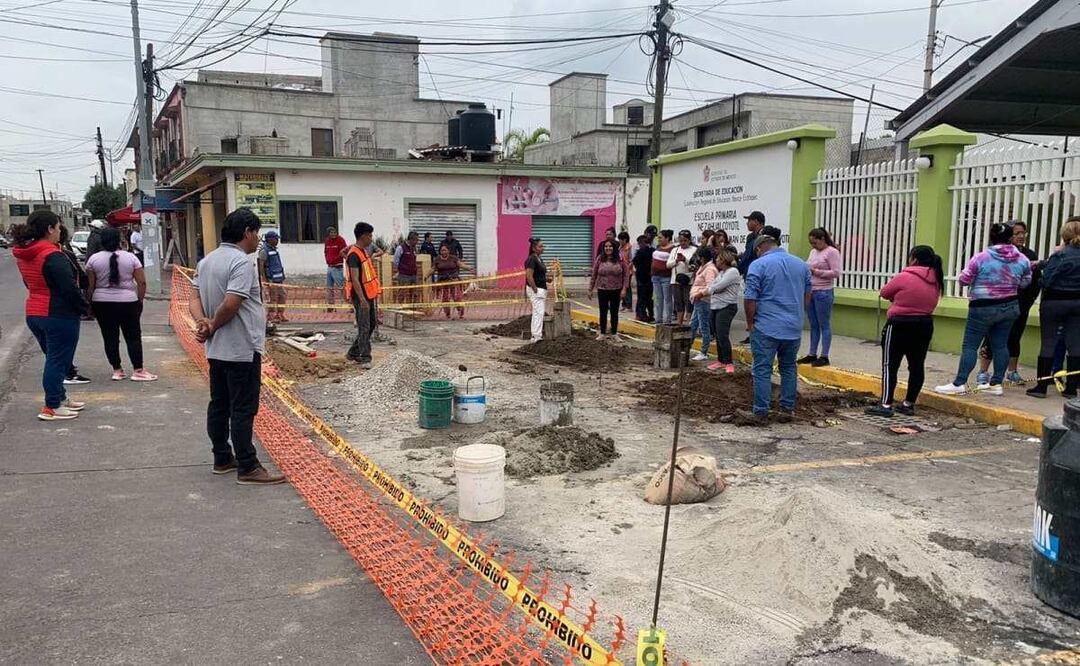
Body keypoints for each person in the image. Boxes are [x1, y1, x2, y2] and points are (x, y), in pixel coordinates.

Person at [188, 208, 284, 485]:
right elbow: (232, 303)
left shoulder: (207, 261)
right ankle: (247, 465)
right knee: (243, 408)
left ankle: (222, 457)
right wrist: (212, 326)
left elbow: (193, 298)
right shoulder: (242, 262)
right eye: (257, 233)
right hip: (240, 347)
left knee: (219, 404)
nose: (258, 239)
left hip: (217, 349)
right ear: (247, 233)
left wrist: (203, 324)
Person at [934, 222, 1031, 396]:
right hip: (1010, 306)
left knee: (970, 345)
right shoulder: (1022, 259)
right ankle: (996, 384)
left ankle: (960, 382)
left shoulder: (981, 257)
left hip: (983, 307)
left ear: (991, 238)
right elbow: (1025, 282)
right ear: (1010, 238)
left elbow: (964, 279)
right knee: (1001, 345)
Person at [12, 210, 88, 421]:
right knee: (57, 361)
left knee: (55, 358)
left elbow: (29, 283)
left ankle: (60, 398)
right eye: (57, 226)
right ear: (50, 229)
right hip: (57, 314)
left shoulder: (26, 253)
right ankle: (52, 405)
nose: (60, 230)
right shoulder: (52, 255)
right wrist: (85, 307)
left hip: (35, 312)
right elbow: (68, 287)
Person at [738, 226, 811, 426]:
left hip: (766, 326)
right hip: (793, 327)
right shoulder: (801, 264)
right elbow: (807, 293)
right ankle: (787, 409)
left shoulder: (758, 264)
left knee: (762, 369)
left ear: (760, 247)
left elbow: (750, 297)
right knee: (788, 368)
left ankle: (760, 412)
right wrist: (798, 313)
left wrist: (750, 322)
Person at [865, 246, 944, 417]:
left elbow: (885, 292)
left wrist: (898, 298)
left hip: (899, 324)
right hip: (924, 325)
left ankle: (885, 405)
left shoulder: (905, 276)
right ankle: (909, 404)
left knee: (889, 365)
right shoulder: (937, 278)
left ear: (914, 259)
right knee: (916, 365)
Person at [86, 227, 157, 382]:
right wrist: (139, 300)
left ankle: (117, 370)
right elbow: (142, 282)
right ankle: (138, 370)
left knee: (109, 337)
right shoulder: (131, 258)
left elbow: (91, 286)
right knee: (133, 336)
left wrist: (90, 305)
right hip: (128, 302)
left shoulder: (93, 259)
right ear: (119, 240)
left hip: (102, 302)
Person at [975, 220, 1040, 385]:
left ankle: (1012, 371)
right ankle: (983, 371)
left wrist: (1028, 301)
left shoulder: (1029, 255)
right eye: (1016, 233)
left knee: (1014, 337)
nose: (1020, 236)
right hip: (998, 302)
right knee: (991, 337)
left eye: (1022, 233)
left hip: (1020, 303)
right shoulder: (995, 254)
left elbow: (1035, 281)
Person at [1027, 218, 1080, 398]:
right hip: (1077, 303)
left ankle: (1041, 387)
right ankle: (1071, 388)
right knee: (1075, 344)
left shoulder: (1060, 255)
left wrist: (1041, 274)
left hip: (1054, 302)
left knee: (1048, 342)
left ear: (1065, 235)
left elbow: (1047, 281)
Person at [798, 227, 842, 367]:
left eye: (815, 242)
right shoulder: (813, 252)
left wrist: (816, 272)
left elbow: (835, 272)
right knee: (813, 324)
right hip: (812, 290)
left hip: (824, 291)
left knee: (824, 324)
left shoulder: (832, 252)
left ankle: (824, 355)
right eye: (811, 243)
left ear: (822, 239)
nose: (813, 246)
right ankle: (812, 353)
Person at [344, 222, 382, 367]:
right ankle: (365, 357)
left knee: (371, 324)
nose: (371, 239)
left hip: (368, 294)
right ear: (363, 236)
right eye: (370, 236)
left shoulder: (363, 251)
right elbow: (354, 279)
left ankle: (353, 352)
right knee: (364, 326)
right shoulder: (354, 254)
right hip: (361, 296)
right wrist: (362, 299)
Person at [58, 225, 91, 384]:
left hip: (40, 309)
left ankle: (66, 372)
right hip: (63, 309)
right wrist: (84, 306)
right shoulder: (62, 256)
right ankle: (67, 373)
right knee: (64, 346)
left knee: (55, 350)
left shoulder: (32, 256)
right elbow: (76, 282)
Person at [706, 247, 742, 373]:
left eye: (718, 259)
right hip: (715, 306)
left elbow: (718, 286)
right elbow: (711, 286)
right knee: (716, 334)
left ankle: (728, 362)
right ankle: (721, 360)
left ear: (724, 260)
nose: (716, 261)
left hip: (726, 306)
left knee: (723, 335)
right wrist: (714, 288)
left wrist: (714, 289)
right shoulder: (721, 273)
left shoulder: (732, 272)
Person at [589, 239, 629, 339]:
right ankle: (602, 333)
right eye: (606, 246)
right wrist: (590, 289)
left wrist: (624, 289)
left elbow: (626, 274)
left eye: (610, 246)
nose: (608, 248)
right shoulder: (599, 259)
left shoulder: (620, 258)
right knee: (603, 312)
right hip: (602, 289)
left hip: (616, 289)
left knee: (614, 313)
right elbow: (594, 274)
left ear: (614, 248)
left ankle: (614, 333)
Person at [426, 244, 472, 319]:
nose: (443, 252)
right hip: (443, 282)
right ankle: (448, 315)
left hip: (454, 281)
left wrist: (469, 268)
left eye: (445, 250)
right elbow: (433, 269)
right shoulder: (437, 259)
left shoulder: (453, 258)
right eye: (441, 250)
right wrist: (427, 275)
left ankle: (461, 314)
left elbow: (461, 265)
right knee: (445, 299)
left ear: (448, 251)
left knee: (457, 298)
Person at [688, 246, 717, 361]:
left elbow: (710, 287)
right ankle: (687, 347)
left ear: (702, 258)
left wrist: (699, 294)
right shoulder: (703, 267)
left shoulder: (709, 269)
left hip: (703, 300)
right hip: (698, 300)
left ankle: (704, 352)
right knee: (693, 325)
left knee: (703, 326)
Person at [667, 229, 697, 325]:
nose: (682, 243)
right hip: (675, 280)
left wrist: (685, 260)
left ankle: (688, 323)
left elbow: (695, 265)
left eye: (685, 240)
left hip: (689, 280)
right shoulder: (674, 250)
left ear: (689, 240)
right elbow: (668, 264)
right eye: (680, 240)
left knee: (688, 302)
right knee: (678, 302)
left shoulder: (694, 250)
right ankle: (679, 323)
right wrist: (676, 261)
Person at [257, 230, 287, 322]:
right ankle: (271, 316)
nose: (277, 241)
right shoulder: (264, 250)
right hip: (271, 279)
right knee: (272, 298)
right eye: (275, 239)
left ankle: (280, 314)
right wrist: (265, 280)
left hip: (278, 278)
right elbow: (261, 266)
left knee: (282, 295)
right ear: (270, 239)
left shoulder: (274, 249)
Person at [525, 237, 547, 343]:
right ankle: (537, 336)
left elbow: (539, 274)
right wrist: (535, 289)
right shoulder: (532, 259)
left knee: (537, 312)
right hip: (536, 289)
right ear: (534, 248)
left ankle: (535, 335)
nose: (543, 248)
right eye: (540, 246)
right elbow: (529, 276)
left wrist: (547, 279)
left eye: (543, 246)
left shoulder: (539, 258)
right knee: (539, 312)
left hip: (541, 288)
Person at [651, 230, 675, 324]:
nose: (659, 239)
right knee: (658, 298)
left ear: (667, 238)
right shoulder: (658, 247)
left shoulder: (672, 249)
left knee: (667, 299)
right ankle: (658, 319)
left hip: (666, 277)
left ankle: (667, 320)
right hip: (655, 276)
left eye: (661, 237)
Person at [323, 226, 347, 311]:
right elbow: (325, 252)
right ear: (328, 234)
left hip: (337, 267)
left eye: (334, 232)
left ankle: (350, 304)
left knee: (341, 287)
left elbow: (344, 251)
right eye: (331, 233)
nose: (333, 234)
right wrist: (327, 260)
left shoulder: (341, 240)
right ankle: (331, 305)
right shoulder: (327, 241)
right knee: (329, 288)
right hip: (329, 267)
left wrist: (335, 259)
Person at [393, 231, 420, 303]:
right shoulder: (400, 248)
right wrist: (399, 271)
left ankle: (413, 309)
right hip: (404, 275)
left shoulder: (414, 248)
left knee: (414, 293)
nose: (417, 242)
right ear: (411, 239)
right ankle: (401, 309)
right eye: (416, 240)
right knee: (402, 293)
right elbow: (396, 261)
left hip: (413, 275)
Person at [632, 235, 654, 322]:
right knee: (648, 298)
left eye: (640, 243)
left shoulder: (640, 252)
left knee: (642, 297)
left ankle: (641, 315)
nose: (639, 245)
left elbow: (635, 262)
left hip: (642, 277)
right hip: (648, 277)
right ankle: (649, 314)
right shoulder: (653, 251)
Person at [737, 211, 765, 276]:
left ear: (756, 221)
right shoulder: (751, 236)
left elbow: (748, 256)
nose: (747, 223)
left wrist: (737, 268)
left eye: (749, 221)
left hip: (756, 273)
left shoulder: (764, 236)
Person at [618, 231, 633, 311]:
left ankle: (629, 306)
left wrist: (627, 268)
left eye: (621, 239)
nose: (619, 241)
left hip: (628, 271)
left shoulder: (629, 248)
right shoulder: (620, 248)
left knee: (627, 288)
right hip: (621, 271)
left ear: (625, 239)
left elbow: (631, 260)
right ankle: (624, 305)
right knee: (621, 288)